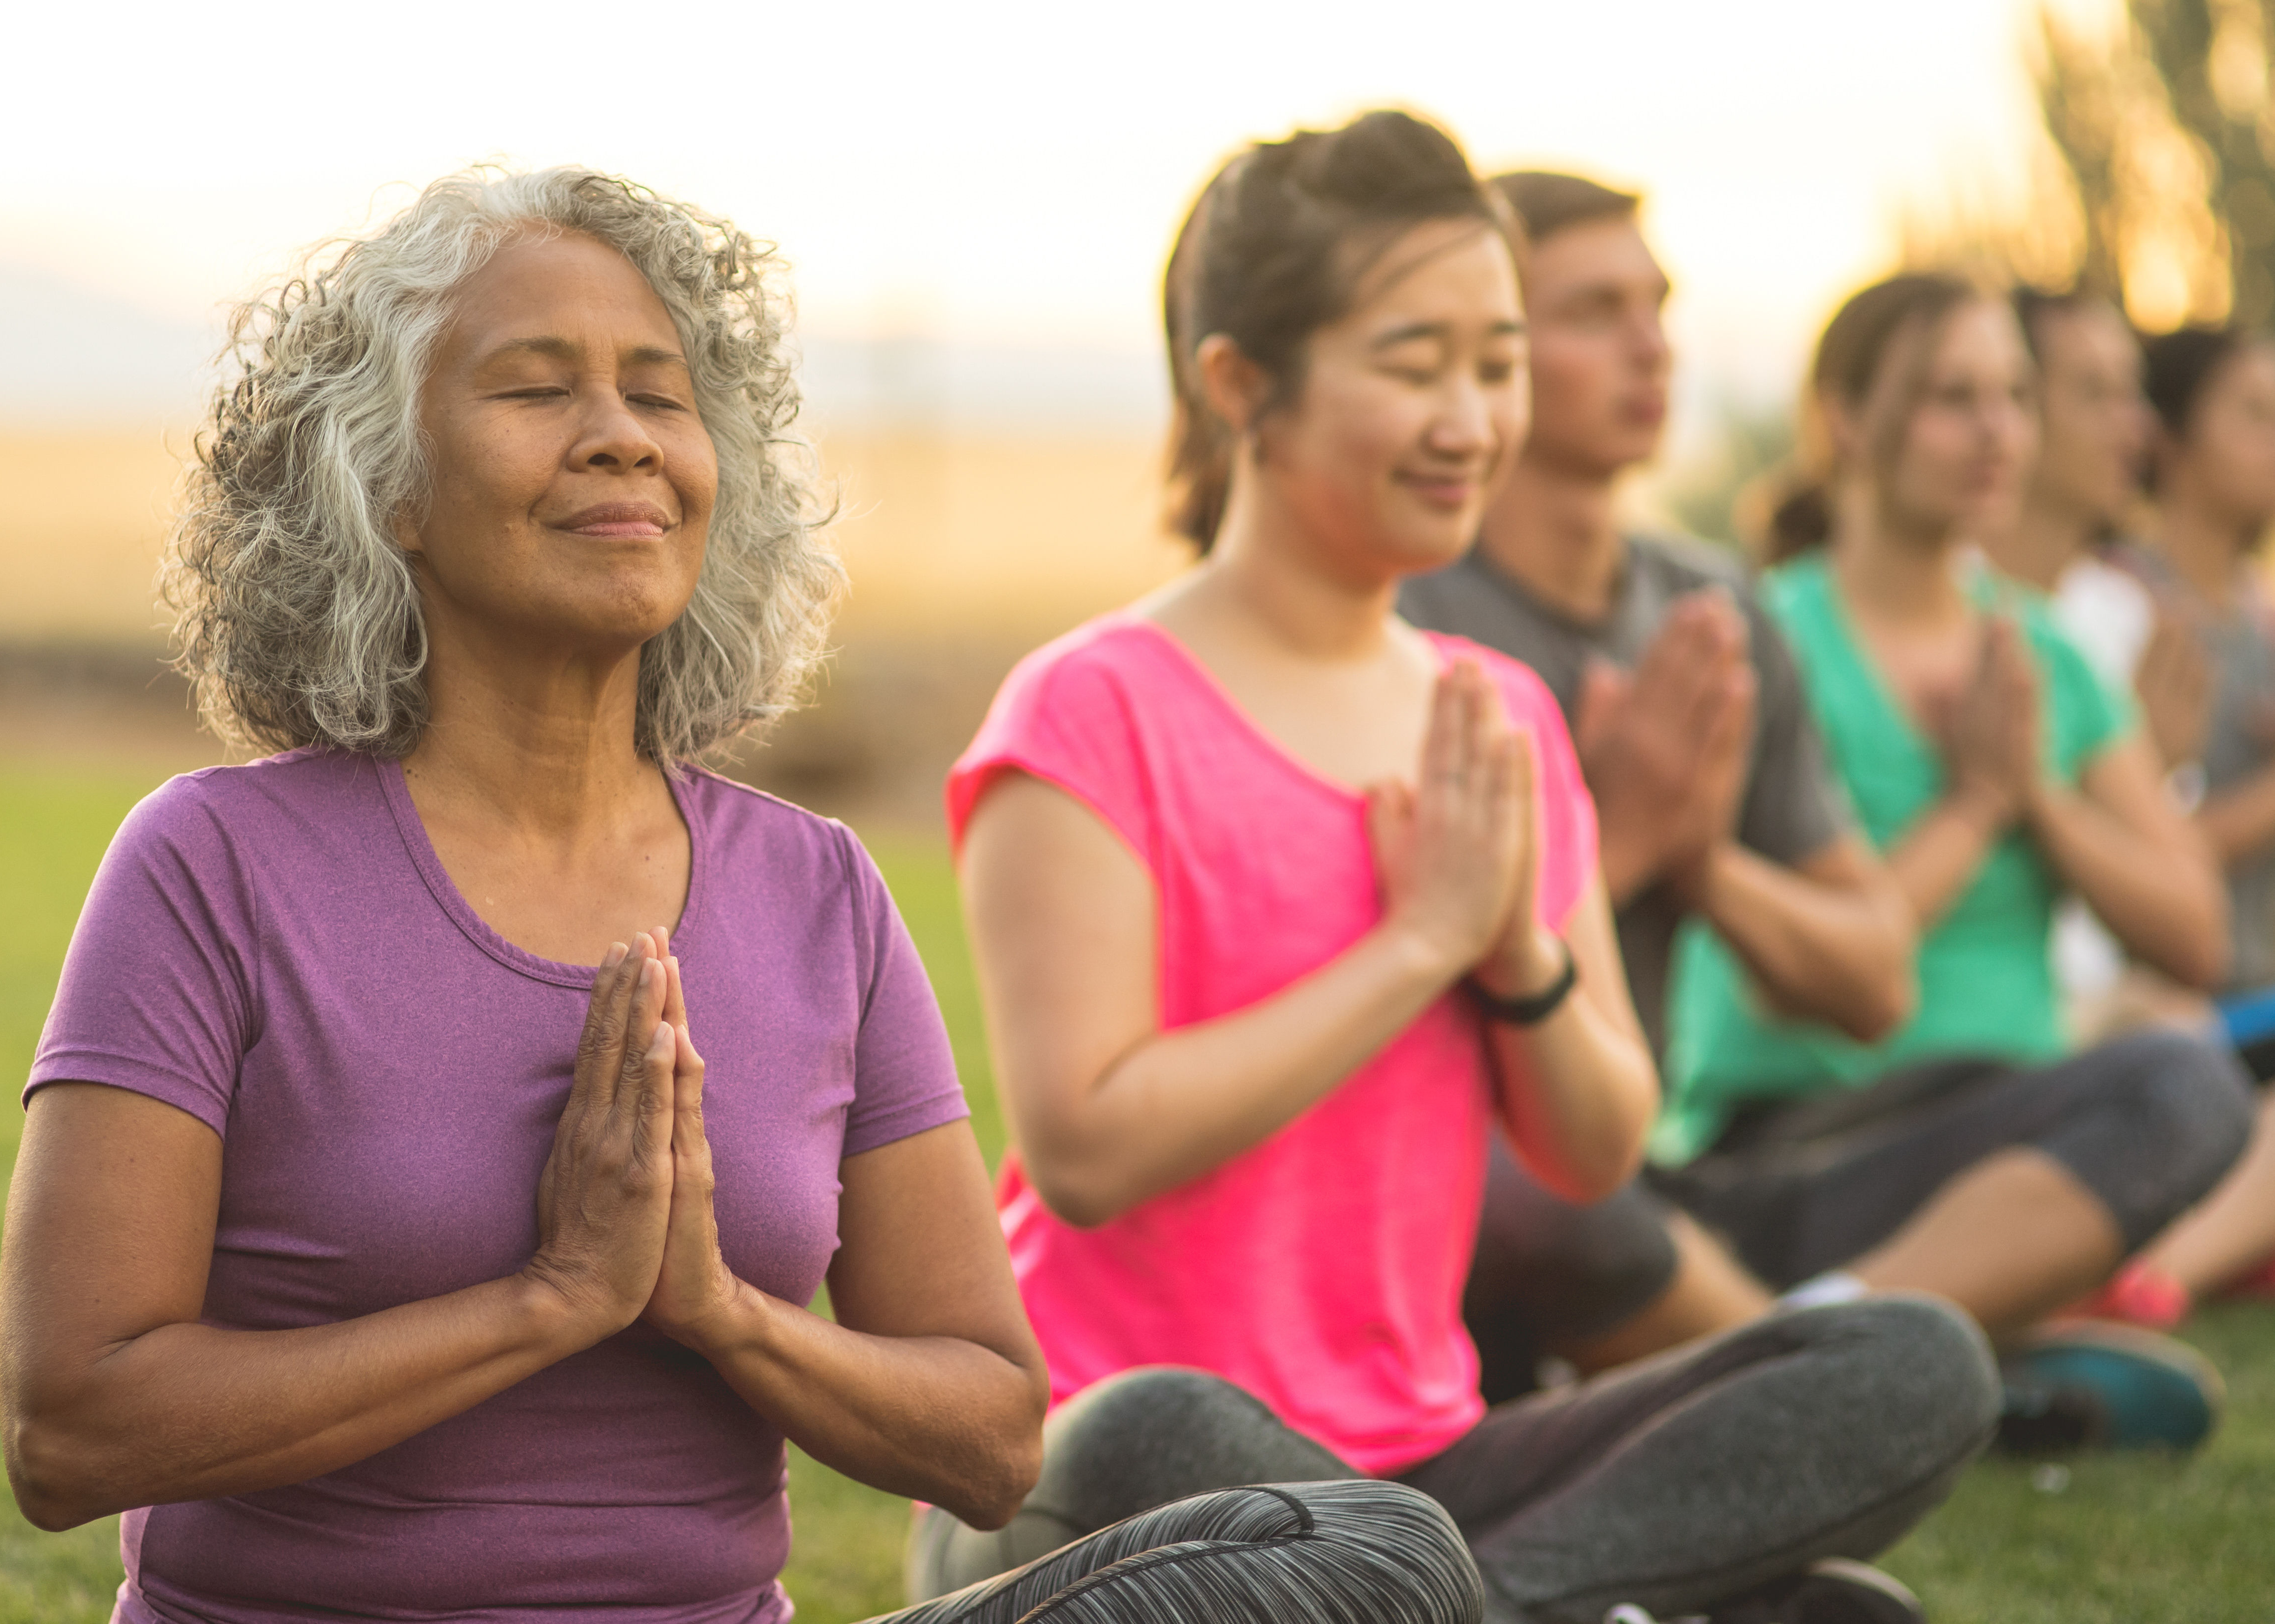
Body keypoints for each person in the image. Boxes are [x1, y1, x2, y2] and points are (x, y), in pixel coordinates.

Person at [0, 167, 1480, 1624]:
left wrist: (715, 1309)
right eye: (534, 387)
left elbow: (987, 1432)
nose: (621, 438)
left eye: (660, 392)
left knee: (1369, 1553)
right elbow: (71, 1426)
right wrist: (548, 1297)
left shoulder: (816, 888)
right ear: (384, 486)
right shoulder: (214, 866)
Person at [920, 112, 1998, 1624]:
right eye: (1412, 362)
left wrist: (1522, 961)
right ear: (1242, 385)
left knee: (1910, 1359)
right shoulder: (1091, 707)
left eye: (1493, 364)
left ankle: (1443, 1598)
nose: (1469, 416)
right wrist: (1415, 942)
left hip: (1427, 1454)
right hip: (1104, 1480)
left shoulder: (1493, 718)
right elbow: (1089, 1143)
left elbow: (1596, 1147)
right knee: (1165, 1421)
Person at [1658, 272, 2254, 1452]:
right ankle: (1887, 1351)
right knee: (2168, 1076)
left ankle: (1856, 1350)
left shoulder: (2040, 655)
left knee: (2187, 1074)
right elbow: (1800, 976)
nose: (1998, 433)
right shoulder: (1760, 640)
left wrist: (2038, 791)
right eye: (1951, 398)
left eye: (2014, 398)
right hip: (1804, 1135)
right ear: (1846, 418)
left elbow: (2194, 933)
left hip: (2008, 1134)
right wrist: (1978, 801)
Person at [1398, 171, 1915, 1397]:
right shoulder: (1403, 615)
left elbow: (1874, 983)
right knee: (1533, 1193)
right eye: (1593, 311)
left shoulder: (1713, 609)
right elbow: (1391, 1033)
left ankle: (1768, 1343)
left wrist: (1707, 865)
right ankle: (1840, 1385)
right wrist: (1614, 842)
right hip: (1480, 1192)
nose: (1650, 345)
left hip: (1657, 1175)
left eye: (1659, 304)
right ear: (1491, 356)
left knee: (2164, 1088)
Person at [2079, 325, 2275, 1317]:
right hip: (2178, 995)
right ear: (2173, 443)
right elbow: (2150, 854)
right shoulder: (2121, 609)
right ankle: (2156, 1283)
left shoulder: (2260, 609)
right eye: (2251, 413)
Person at [1986, 288, 2213, 1040]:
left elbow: (2183, 917)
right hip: (1995, 1036)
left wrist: (2144, 773)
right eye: (2096, 394)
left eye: (2134, 392)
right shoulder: (1937, 617)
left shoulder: (2123, 619)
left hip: (2119, 1011)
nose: (2137, 428)